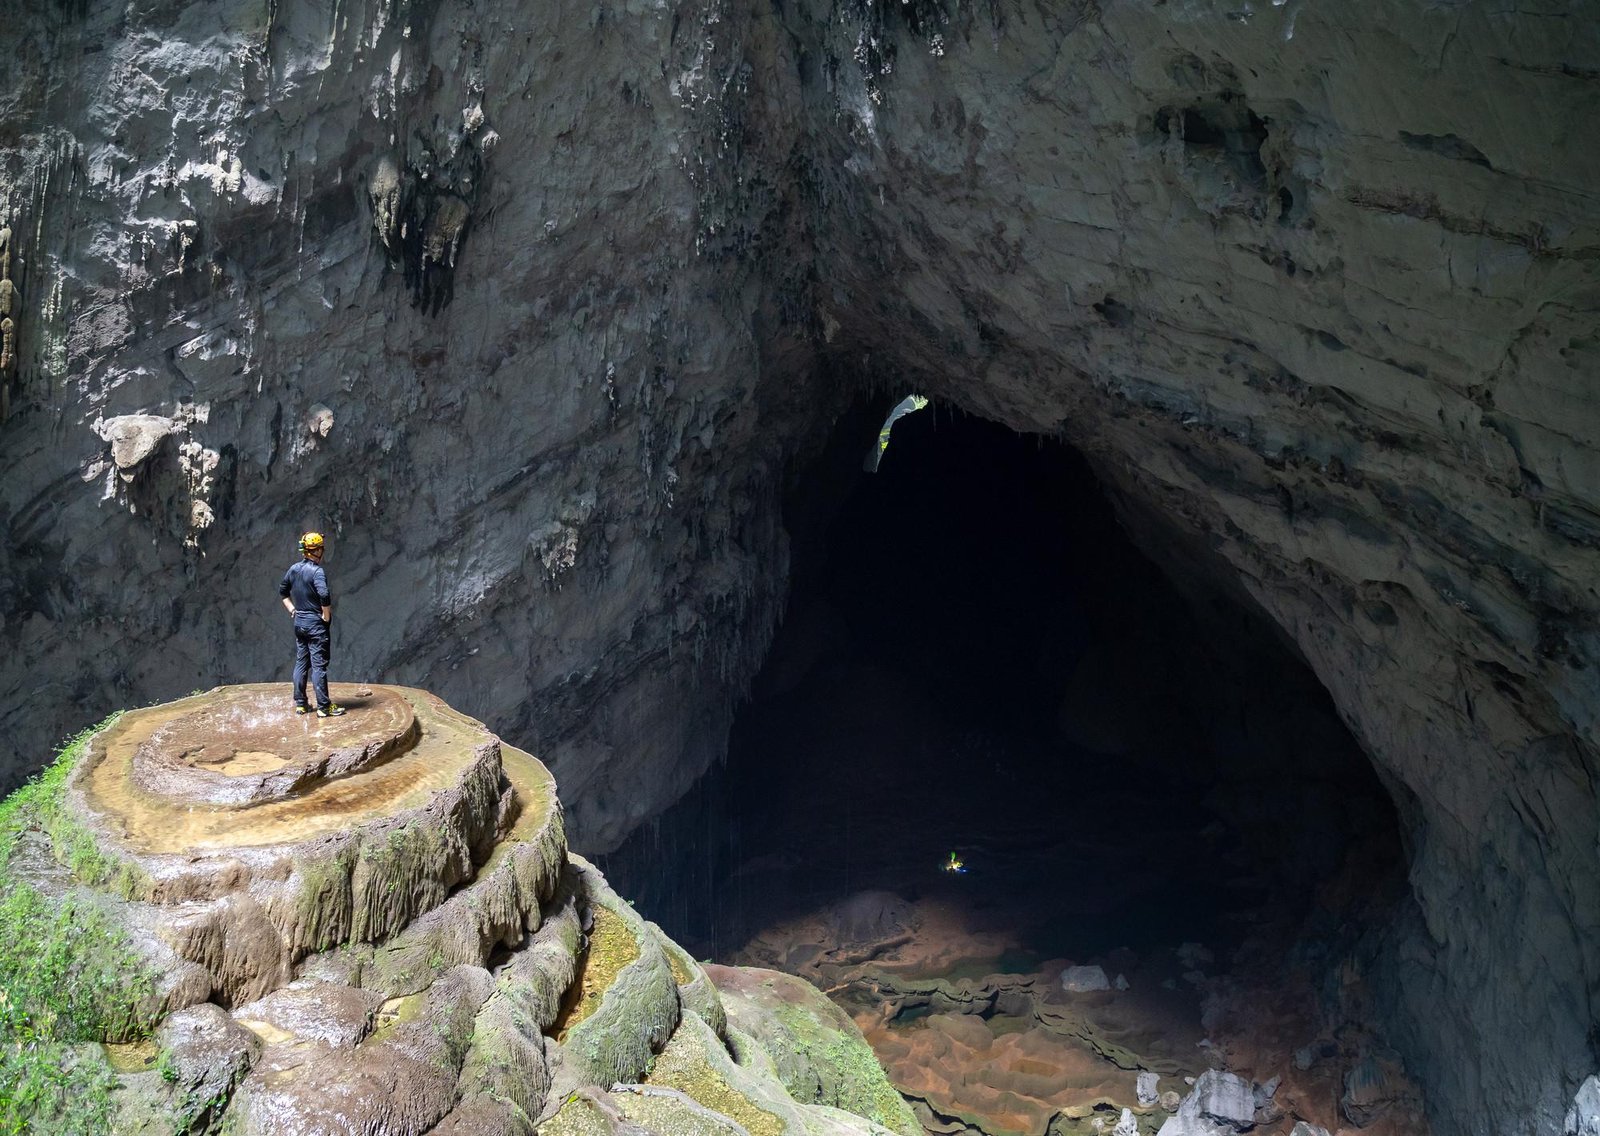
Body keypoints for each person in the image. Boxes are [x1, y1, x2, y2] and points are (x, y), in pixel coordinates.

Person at [279, 532, 345, 717]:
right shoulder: (317, 572)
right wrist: (326, 615)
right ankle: (323, 707)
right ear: (316, 550)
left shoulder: (294, 569)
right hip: (315, 624)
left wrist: (292, 609)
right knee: (318, 666)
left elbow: (283, 591)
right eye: (321, 548)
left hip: (299, 623)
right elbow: (324, 594)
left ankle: (301, 704)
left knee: (301, 663)